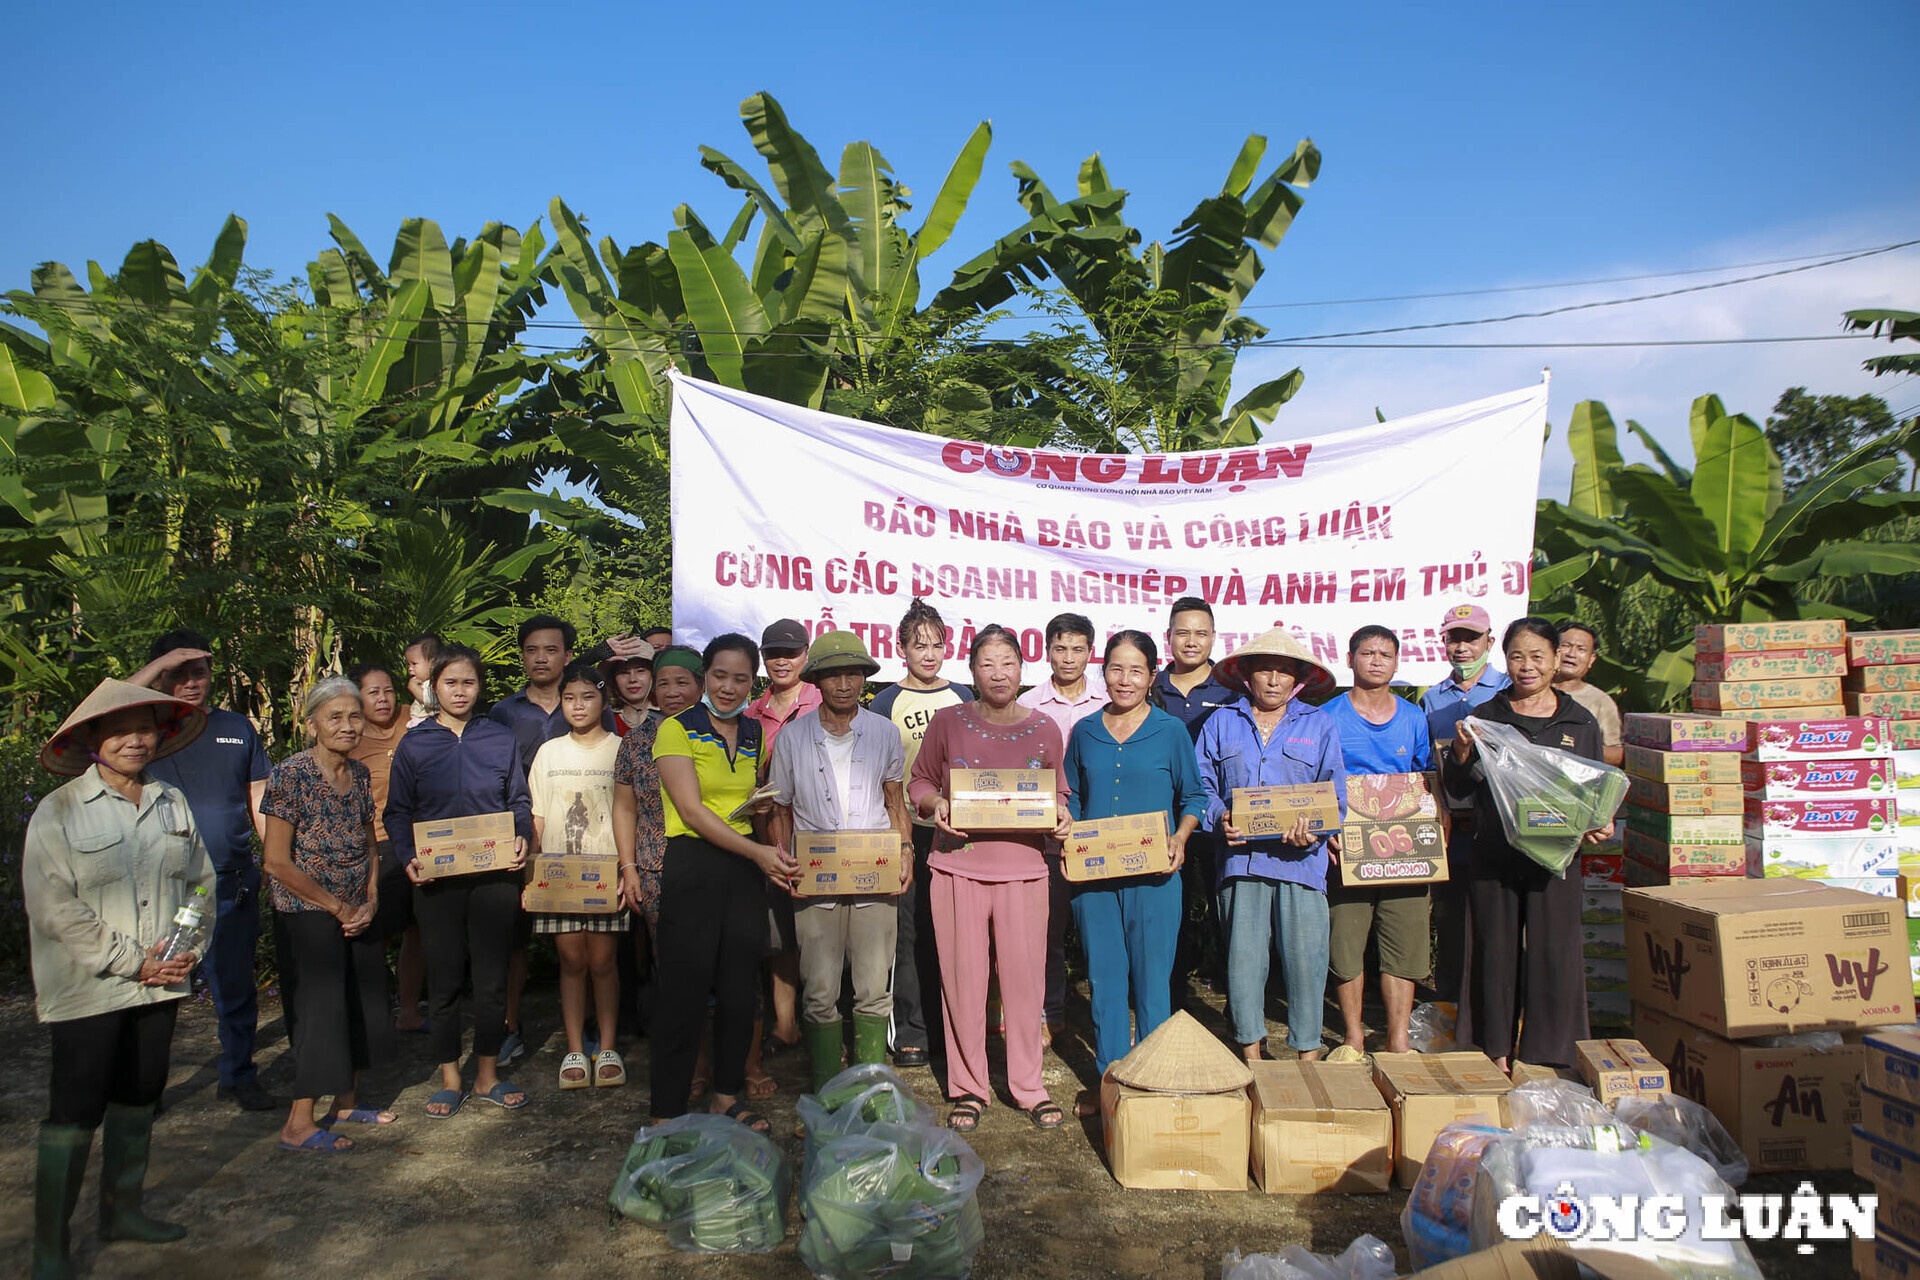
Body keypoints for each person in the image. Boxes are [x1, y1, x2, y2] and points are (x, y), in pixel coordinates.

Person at [25, 680, 213, 1276]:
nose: (136, 740)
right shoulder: (57, 811)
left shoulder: (171, 802)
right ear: (90, 741)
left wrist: (187, 948)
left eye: (146, 728)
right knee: (76, 1108)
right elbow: (53, 906)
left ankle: (122, 1211)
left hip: (162, 982)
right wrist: (133, 960)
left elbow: (201, 883)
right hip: (89, 988)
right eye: (119, 730)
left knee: (140, 1092)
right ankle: (50, 1245)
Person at [909, 625, 1072, 1132]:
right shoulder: (948, 721)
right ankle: (969, 1087)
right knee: (963, 982)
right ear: (972, 670)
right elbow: (920, 781)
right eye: (987, 663)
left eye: (1008, 663)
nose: (998, 673)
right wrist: (936, 805)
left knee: (1025, 985)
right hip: (957, 867)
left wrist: (1062, 815)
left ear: (1022, 669)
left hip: (1024, 872)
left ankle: (1029, 1086)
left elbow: (1058, 793)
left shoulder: (1045, 727)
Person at [649, 634, 798, 1132]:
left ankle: (726, 1096)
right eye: (719, 676)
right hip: (693, 865)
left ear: (751, 681)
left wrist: (766, 838)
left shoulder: (754, 732)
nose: (729, 687)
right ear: (704, 677)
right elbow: (690, 811)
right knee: (683, 995)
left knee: (739, 992)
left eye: (740, 678)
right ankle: (666, 1110)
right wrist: (757, 851)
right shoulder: (676, 729)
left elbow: (752, 802)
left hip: (742, 870)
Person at [1447, 618, 1610, 1070]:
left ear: (1557, 659)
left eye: (1538, 656)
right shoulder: (1486, 718)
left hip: (1556, 857)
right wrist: (1460, 754)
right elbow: (1458, 789)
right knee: (1492, 951)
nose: (1527, 666)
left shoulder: (1579, 721)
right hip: (1495, 854)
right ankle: (1491, 1049)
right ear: (1505, 660)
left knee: (1555, 953)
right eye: (1517, 656)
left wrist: (1599, 822)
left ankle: (1550, 1055)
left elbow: (1595, 788)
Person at [1061, 631, 1205, 1115]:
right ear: (1104, 672)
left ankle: (1153, 1082)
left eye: (1136, 670)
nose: (1125, 680)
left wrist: (1181, 836)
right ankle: (1109, 1082)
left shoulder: (1170, 732)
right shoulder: (1084, 731)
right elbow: (1073, 797)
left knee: (1151, 980)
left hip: (1156, 879)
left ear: (1151, 675)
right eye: (1116, 669)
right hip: (1095, 879)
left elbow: (1194, 797)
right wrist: (1070, 834)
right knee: (1104, 979)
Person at [386, 644, 533, 1117]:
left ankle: (488, 1073)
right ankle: (450, 1077)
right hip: (437, 879)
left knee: (491, 980)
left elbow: (519, 801)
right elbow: (398, 811)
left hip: (493, 876)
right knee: (445, 979)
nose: (460, 691)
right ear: (434, 687)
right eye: (450, 683)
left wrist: (522, 838)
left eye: (468, 682)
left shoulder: (498, 737)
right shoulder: (415, 743)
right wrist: (408, 856)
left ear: (480, 686)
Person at [129, 630, 273, 1112]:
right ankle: (145, 1090)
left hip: (230, 879)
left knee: (234, 984)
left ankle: (239, 1074)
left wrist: (274, 859)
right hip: (167, 886)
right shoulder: (145, 730)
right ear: (159, 677)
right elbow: (106, 707)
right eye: (178, 674)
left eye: (199, 672)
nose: (191, 683)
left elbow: (258, 799)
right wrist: (161, 662)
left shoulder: (236, 727)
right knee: (160, 990)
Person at [766, 632, 913, 1091]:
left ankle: (872, 1089)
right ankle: (827, 1090)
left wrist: (905, 852)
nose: (844, 684)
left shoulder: (885, 733)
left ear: (865, 679)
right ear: (818, 680)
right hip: (815, 876)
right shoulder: (792, 737)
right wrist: (784, 861)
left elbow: (895, 802)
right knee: (820, 992)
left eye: (853, 674)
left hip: (874, 873)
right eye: (833, 674)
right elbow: (781, 809)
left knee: (872, 989)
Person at [1196, 628, 1347, 1063]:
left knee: (1306, 961)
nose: (1274, 679)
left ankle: (1307, 1054)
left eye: (1284, 671)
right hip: (1240, 862)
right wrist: (1218, 816)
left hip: (1301, 861)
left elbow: (1335, 796)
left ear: (1298, 679)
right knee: (1243, 962)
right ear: (1247, 675)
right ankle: (1252, 1056)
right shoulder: (1222, 722)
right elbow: (1201, 785)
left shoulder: (1319, 724)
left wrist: (1314, 829)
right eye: (1265, 669)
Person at [261, 677, 395, 1153]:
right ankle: (299, 1121)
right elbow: (276, 860)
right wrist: (337, 906)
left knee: (363, 1001)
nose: (347, 725)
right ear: (312, 722)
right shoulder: (290, 774)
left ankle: (345, 1101)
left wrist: (372, 896)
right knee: (321, 1011)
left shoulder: (358, 774)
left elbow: (369, 838)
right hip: (308, 910)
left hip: (357, 906)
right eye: (334, 716)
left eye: (354, 716)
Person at [1320, 626, 1436, 1055]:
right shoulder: (1327, 715)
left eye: (1385, 654)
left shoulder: (1413, 717)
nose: (1375, 661)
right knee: (1347, 945)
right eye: (1366, 653)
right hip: (1348, 844)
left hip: (1404, 846)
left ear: (1397, 662)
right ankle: (1352, 1035)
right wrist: (1329, 832)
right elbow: (1316, 781)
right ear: (1349, 659)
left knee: (1403, 945)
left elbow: (1426, 779)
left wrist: (1431, 832)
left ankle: (1398, 1038)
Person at [870, 598, 974, 1069]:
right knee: (907, 934)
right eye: (919, 645)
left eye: (936, 645)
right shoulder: (886, 702)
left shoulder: (965, 697)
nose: (929, 654)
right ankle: (911, 1028)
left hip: (961, 833)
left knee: (954, 932)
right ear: (901, 649)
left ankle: (953, 1024)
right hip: (907, 830)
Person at [489, 614, 586, 1069]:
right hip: (519, 835)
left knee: (580, 940)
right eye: (532, 650)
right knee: (513, 939)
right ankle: (509, 1027)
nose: (541, 658)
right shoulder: (504, 713)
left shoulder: (590, 703)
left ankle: (582, 1029)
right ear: (522, 656)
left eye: (551, 649)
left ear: (567, 655)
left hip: (581, 838)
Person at [528, 664, 627, 1091]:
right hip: (558, 874)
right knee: (571, 960)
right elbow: (537, 815)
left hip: (608, 873)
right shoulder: (549, 752)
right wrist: (530, 875)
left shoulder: (623, 749)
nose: (578, 705)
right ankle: (573, 1047)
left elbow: (633, 814)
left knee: (603, 961)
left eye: (587, 696)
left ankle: (607, 1047)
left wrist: (629, 870)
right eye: (570, 698)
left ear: (604, 701)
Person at [1017, 611, 1105, 1043]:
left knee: (1099, 930)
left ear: (1091, 652)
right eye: (1060, 648)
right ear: (1046, 651)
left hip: (1097, 833)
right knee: (1047, 932)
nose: (1068, 658)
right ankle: (1049, 1012)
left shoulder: (1111, 701)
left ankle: (1103, 1011)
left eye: (1077, 649)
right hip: (1045, 838)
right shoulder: (1029, 704)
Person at [1420, 603, 1511, 1006]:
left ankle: (1500, 1007)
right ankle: (1450, 1008)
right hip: (1451, 830)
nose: (1462, 648)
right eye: (1454, 639)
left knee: (1498, 924)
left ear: (1489, 642)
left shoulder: (1509, 692)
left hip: (1499, 827)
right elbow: (1428, 766)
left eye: (1471, 639)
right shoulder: (1432, 699)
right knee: (1451, 919)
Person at [1150, 597, 1238, 1006]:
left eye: (1200, 633)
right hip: (1165, 819)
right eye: (1182, 633)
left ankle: (1233, 988)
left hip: (1219, 814)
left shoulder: (1232, 690)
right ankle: (1171, 992)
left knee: (1227, 906)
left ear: (1214, 638)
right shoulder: (1152, 686)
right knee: (1172, 906)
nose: (1191, 641)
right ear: (1168, 637)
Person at [744, 618, 820, 1079]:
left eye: (790, 652)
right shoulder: (751, 714)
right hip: (769, 838)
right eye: (773, 652)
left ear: (806, 656)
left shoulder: (822, 701)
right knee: (778, 937)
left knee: (821, 938)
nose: (782, 660)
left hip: (819, 835)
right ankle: (786, 1025)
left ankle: (821, 1027)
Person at [348, 664, 426, 1034]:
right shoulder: (351, 738)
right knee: (377, 933)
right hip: (378, 845)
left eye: (388, 690)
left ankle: (409, 1011)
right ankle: (374, 1014)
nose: (383, 699)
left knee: (418, 930)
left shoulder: (414, 719)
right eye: (372, 692)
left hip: (425, 841)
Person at [1553, 622, 1624, 767]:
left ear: (1591, 660)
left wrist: (1572, 750)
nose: (1571, 654)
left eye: (1581, 649)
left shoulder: (1601, 701)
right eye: (1566, 645)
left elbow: (1618, 754)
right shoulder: (1531, 692)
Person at [604, 645, 656, 736]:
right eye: (624, 672)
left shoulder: (668, 714)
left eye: (640, 671)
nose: (632, 679)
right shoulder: (603, 719)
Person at [403, 633, 441, 727]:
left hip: (430, 722)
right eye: (408, 664)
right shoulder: (424, 683)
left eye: (414, 664)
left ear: (433, 664)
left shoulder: (435, 682)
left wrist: (414, 688)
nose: (410, 668)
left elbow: (431, 701)